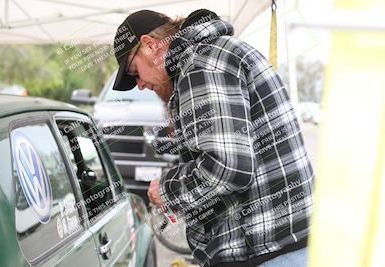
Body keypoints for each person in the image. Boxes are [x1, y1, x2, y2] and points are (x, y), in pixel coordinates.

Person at [112, 9, 314, 267]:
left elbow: (228, 168)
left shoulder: (200, 65)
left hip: (268, 254)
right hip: (284, 248)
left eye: (133, 72)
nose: (139, 84)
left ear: (150, 46)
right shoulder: (217, 54)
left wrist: (166, 189)